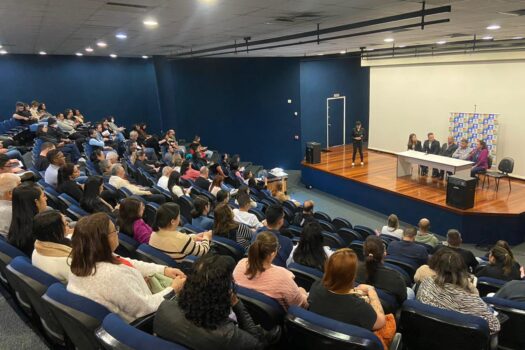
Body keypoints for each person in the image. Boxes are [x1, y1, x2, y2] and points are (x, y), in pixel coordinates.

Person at [67, 213, 186, 322]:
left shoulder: (84, 260)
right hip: (145, 320)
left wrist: (163, 270)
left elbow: (129, 262)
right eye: (114, 231)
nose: (117, 233)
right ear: (103, 240)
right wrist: (173, 289)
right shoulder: (112, 275)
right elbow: (144, 308)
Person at [154, 254, 278, 350]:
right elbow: (256, 344)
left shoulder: (164, 307)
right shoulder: (228, 335)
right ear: (221, 296)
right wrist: (237, 304)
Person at [417, 249, 500, 334]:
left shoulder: (426, 283)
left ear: (436, 269)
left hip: (428, 334)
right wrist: (474, 292)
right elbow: (494, 326)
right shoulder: (470, 300)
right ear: (462, 272)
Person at [308, 248, 386, 331]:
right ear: (352, 276)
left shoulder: (316, 286)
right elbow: (381, 322)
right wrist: (371, 290)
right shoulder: (360, 307)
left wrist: (355, 290)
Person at [233, 231, 308, 309]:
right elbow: (301, 305)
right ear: (272, 254)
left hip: (242, 313)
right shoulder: (283, 277)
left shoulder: (241, 264)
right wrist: (303, 293)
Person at [357, 236, 408, 307]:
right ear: (384, 253)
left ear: (363, 252)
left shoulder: (352, 268)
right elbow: (403, 300)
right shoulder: (396, 277)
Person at [31, 210, 72, 283]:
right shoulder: (67, 261)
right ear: (54, 232)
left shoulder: (37, 248)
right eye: (66, 224)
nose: (68, 224)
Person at [8, 184, 48, 256]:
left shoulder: (17, 223)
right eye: (43, 196)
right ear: (36, 202)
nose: (46, 198)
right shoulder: (40, 228)